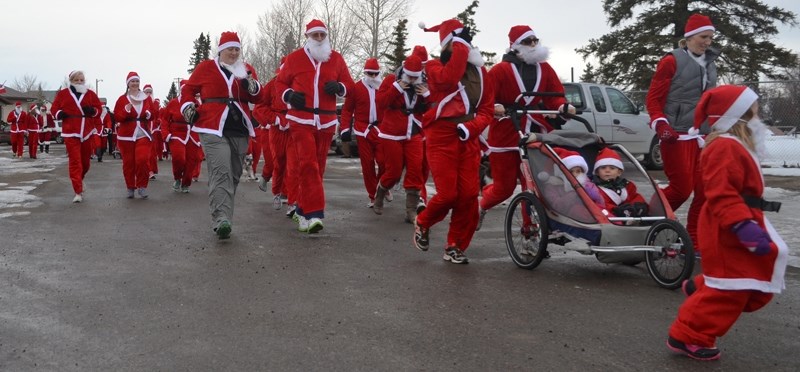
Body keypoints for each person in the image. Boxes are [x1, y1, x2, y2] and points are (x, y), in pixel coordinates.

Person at [667, 85, 789, 361]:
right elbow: (721, 193)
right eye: (755, 112)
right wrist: (742, 226)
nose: (759, 119)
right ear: (739, 116)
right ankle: (689, 335)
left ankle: (702, 286)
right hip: (729, 227)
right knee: (731, 290)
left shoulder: (735, 147)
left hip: (739, 222)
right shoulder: (724, 148)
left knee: (750, 277)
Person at [477, 25, 575, 231]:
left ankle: (529, 230)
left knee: (534, 186)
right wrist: (495, 107)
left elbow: (555, 95)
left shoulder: (545, 69)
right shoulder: (500, 70)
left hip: (534, 134)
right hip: (506, 134)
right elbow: (485, 97)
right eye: (527, 41)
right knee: (504, 189)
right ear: (515, 46)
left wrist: (562, 107)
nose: (533, 44)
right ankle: (481, 204)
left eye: (534, 40)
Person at [415, 19, 495, 263]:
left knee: (469, 195)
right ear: (448, 44)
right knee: (448, 194)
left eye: (466, 41)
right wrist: (459, 43)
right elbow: (450, 79)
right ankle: (423, 221)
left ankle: (455, 245)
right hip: (440, 136)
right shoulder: (434, 66)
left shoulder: (481, 72)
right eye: (458, 41)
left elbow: (487, 110)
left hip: (467, 135)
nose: (465, 45)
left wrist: (471, 128)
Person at [646, 14, 719, 250]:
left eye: (710, 37)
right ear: (688, 37)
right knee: (681, 188)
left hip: (702, 135)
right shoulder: (671, 61)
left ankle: (695, 241)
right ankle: (646, 220)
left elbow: (712, 100)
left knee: (704, 191)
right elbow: (654, 98)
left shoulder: (711, 63)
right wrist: (661, 124)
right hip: (676, 134)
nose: (707, 42)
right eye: (703, 37)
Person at [275, 19, 355, 233]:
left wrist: (340, 87)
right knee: (308, 164)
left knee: (317, 168)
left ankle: (301, 209)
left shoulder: (336, 59)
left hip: (327, 121)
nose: (319, 38)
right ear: (307, 37)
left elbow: (350, 85)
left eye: (322, 35)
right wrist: (289, 95)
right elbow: (280, 84)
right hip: (301, 121)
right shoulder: (294, 59)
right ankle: (314, 214)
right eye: (315, 35)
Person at [181, 31, 262, 239]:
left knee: (234, 175)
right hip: (212, 127)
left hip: (239, 128)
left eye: (237, 49)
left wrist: (251, 85)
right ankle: (221, 219)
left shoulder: (246, 69)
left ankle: (224, 213)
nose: (234, 53)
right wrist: (189, 107)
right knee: (221, 171)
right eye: (230, 49)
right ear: (221, 50)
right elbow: (188, 90)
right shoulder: (206, 68)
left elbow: (259, 95)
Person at [373, 55, 429, 223]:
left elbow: (434, 104)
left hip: (413, 132)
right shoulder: (391, 79)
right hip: (392, 133)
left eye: (415, 76)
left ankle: (411, 210)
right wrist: (396, 88)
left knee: (415, 169)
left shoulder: (423, 82)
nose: (412, 79)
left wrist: (427, 94)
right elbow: (380, 102)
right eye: (409, 76)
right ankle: (381, 192)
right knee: (394, 171)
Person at [339, 58, 386, 208]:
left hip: (380, 129)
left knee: (384, 161)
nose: (372, 77)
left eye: (375, 74)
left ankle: (383, 185)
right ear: (365, 73)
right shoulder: (356, 88)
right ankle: (373, 195)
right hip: (362, 130)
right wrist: (345, 129)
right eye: (369, 73)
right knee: (367, 164)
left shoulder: (384, 87)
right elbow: (347, 110)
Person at [50, 70, 103, 203]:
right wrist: (59, 113)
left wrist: (93, 111)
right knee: (75, 162)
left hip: (86, 131)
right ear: (71, 81)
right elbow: (54, 109)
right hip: (70, 131)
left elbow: (99, 109)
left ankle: (80, 178)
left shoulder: (90, 94)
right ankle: (77, 192)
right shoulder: (63, 94)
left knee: (85, 163)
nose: (79, 82)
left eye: (81, 80)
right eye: (76, 80)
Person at [114, 71, 155, 199]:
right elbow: (117, 117)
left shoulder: (146, 98)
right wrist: (126, 110)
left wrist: (148, 114)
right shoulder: (122, 99)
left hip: (143, 133)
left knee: (142, 160)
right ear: (128, 83)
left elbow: (153, 113)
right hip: (126, 136)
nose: (135, 83)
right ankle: (130, 187)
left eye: (137, 81)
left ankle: (142, 186)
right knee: (128, 163)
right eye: (132, 81)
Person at [162, 80, 200, 193]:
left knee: (192, 160)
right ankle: (178, 178)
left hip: (193, 134)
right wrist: (166, 134)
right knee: (179, 158)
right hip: (177, 134)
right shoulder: (173, 103)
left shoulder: (196, 103)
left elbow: (202, 119)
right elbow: (164, 120)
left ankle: (186, 183)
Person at [591, 147, 648, 219]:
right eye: (603, 168)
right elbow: (600, 205)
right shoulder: (594, 189)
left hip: (629, 215)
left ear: (619, 172)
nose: (607, 171)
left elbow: (635, 197)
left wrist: (638, 205)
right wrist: (615, 210)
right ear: (597, 172)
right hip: (609, 218)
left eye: (612, 168)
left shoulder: (628, 186)